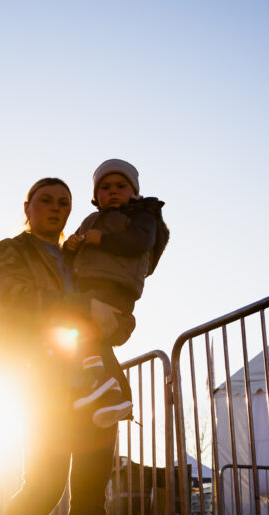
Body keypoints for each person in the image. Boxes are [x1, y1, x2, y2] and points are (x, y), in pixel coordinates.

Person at [0, 177, 123, 515]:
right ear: (27, 207)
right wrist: (84, 308)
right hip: (42, 381)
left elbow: (115, 310)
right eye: (46, 200)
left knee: (91, 491)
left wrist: (119, 320)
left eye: (64, 202)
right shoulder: (10, 250)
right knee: (45, 487)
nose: (56, 207)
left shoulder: (81, 256)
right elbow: (16, 298)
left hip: (95, 379)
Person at [63, 159, 169, 428]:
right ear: (95, 195)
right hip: (89, 286)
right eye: (105, 187)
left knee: (86, 328)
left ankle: (102, 384)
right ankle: (110, 395)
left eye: (120, 186)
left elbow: (140, 241)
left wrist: (104, 239)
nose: (112, 191)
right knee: (86, 334)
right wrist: (70, 246)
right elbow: (72, 258)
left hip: (116, 288)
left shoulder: (142, 216)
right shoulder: (90, 220)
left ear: (134, 191)